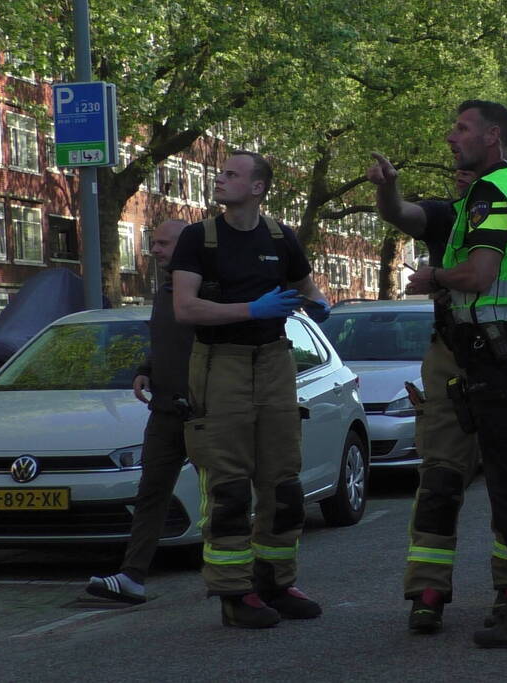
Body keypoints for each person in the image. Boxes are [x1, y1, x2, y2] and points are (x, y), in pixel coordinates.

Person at [405, 100, 507, 648]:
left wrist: (435, 276)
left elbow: (480, 273)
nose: (452, 137)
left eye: (462, 128)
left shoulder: (490, 193)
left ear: (492, 136)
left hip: (494, 354)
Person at [169, 151, 331, 629]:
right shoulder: (199, 238)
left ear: (258, 188)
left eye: (231, 174)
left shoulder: (280, 237)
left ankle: (276, 583)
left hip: (275, 360)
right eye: (220, 173)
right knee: (230, 485)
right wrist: (251, 310)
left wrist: (318, 303)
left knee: (284, 483)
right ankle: (234, 593)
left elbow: (308, 288)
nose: (219, 180)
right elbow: (185, 308)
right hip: (221, 363)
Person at [367, 157, 507, 634]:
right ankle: (427, 593)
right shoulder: (446, 214)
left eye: (471, 167)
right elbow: (400, 213)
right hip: (452, 353)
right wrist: (387, 189)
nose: (460, 171)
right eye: (458, 169)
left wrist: (437, 277)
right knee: (440, 480)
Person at [86, 219, 193, 605]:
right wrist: (146, 369)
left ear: (187, 244)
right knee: (150, 493)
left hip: (206, 411)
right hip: (165, 411)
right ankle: (132, 577)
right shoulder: (165, 289)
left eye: (163, 243)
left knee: (225, 493)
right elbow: (165, 341)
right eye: (153, 243)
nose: (154, 250)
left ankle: (242, 578)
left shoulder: (208, 288)